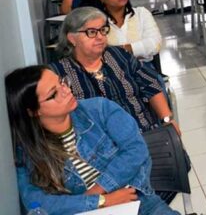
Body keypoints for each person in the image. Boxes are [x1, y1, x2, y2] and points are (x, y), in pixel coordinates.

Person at [6, 66, 179, 215]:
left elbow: (136, 150)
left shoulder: (99, 109)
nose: (66, 90)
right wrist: (100, 202)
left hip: (138, 201)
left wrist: (98, 191)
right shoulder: (30, 149)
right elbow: (36, 202)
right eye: (53, 94)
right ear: (33, 111)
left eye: (62, 82)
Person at [49, 7, 177, 135]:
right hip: (100, 147)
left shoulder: (119, 55)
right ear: (72, 38)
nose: (100, 37)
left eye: (103, 30)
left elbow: (151, 85)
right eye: (92, 32)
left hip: (144, 132)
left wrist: (167, 120)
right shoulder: (58, 74)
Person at [94, 0, 162, 63]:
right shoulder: (96, 22)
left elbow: (155, 44)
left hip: (144, 70)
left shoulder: (141, 13)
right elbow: (97, 54)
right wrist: (138, 48)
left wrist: (119, 50)